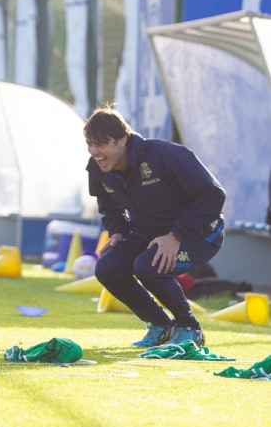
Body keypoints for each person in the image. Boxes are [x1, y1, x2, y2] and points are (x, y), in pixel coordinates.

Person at [84, 104, 225, 348]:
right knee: (107, 268)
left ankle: (190, 328)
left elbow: (214, 195)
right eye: (89, 143)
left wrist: (175, 235)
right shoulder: (98, 167)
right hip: (150, 234)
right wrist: (118, 231)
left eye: (101, 144)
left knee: (148, 266)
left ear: (122, 140)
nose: (95, 151)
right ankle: (161, 326)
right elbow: (108, 205)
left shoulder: (164, 154)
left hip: (201, 234)